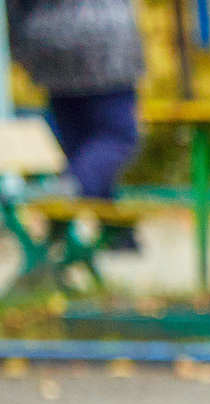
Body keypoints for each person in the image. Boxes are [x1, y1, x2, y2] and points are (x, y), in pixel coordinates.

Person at [7, 0, 145, 240]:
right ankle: (74, 189)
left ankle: (106, 235)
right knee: (119, 136)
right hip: (106, 41)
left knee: (76, 144)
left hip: (46, 41)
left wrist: (19, 46)